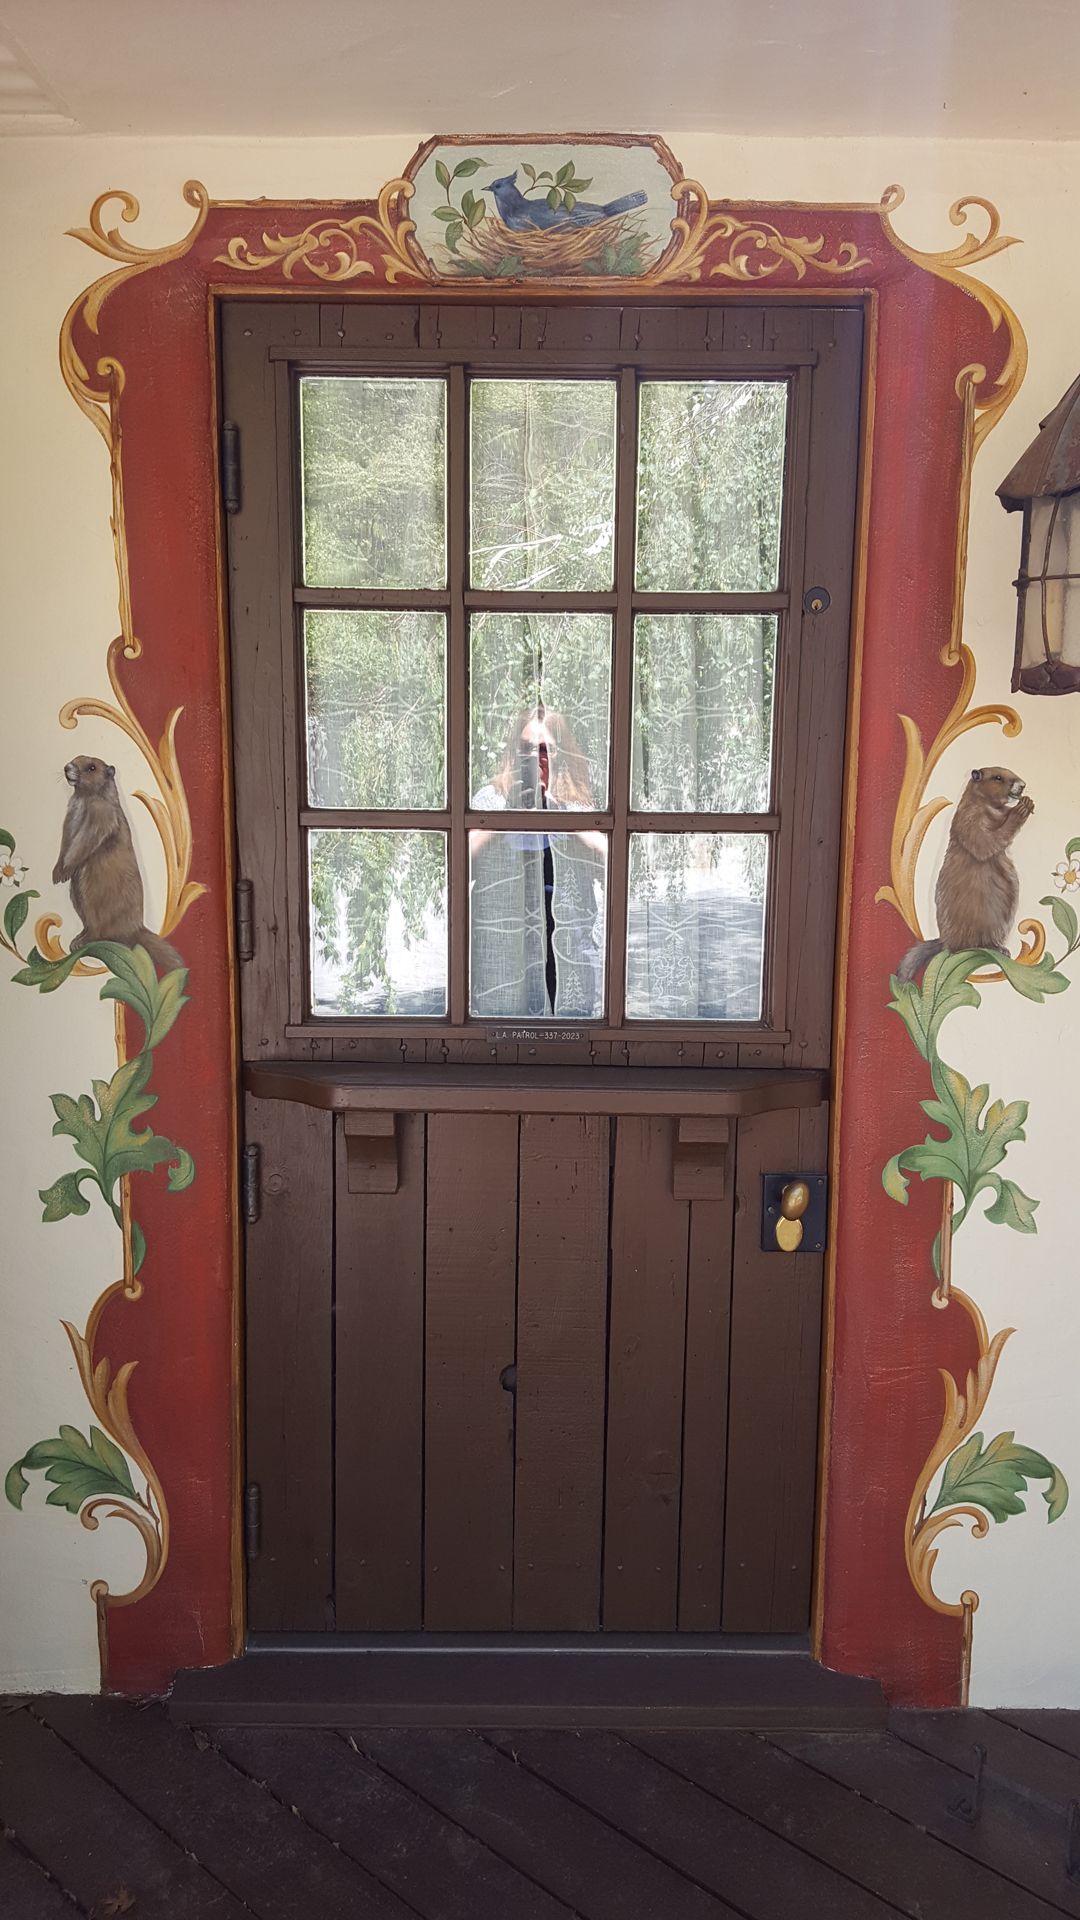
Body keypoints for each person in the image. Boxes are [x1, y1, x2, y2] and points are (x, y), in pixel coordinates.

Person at [470, 705, 606, 1019]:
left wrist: (559, 812)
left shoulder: (575, 802)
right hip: (508, 946)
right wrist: (507, 815)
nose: (536, 759)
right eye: (527, 749)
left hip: (567, 947)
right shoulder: (494, 797)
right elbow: (463, 855)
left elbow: (609, 858)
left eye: (545, 750)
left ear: (561, 754)